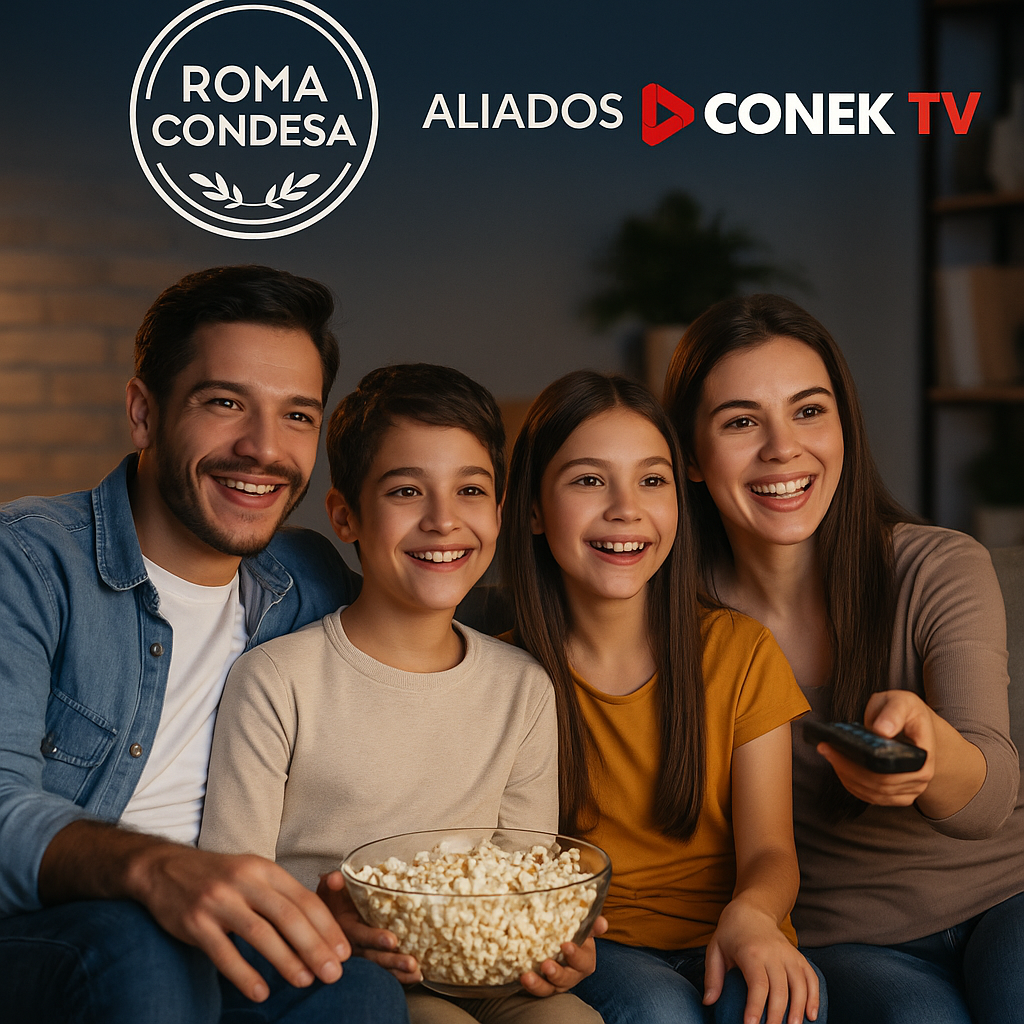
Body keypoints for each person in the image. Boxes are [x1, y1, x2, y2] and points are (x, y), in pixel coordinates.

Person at [0, 265, 408, 1024]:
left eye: (296, 416)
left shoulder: (308, 581)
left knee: (353, 985)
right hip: (42, 937)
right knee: (138, 948)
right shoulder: (27, 562)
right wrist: (155, 869)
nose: (263, 449)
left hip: (215, 933)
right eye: (225, 403)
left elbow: (426, 645)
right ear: (144, 413)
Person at [198, 363, 605, 1024]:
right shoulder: (276, 681)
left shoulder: (523, 688)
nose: (443, 521)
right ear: (345, 515)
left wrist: (556, 936)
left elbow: (525, 870)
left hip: (484, 966)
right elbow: (234, 881)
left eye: (470, 490)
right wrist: (327, 918)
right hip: (344, 968)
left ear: (499, 513)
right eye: (406, 491)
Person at [663, 293, 1024, 1024]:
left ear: (844, 428)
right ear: (691, 459)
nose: (782, 449)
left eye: (808, 410)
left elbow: (988, 802)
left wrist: (929, 760)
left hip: (1006, 895)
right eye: (740, 422)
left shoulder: (937, 565)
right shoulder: (676, 621)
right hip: (846, 939)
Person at [499, 369, 824, 1024]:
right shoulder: (499, 675)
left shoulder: (740, 651)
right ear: (532, 508)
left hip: (738, 925)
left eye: (652, 480)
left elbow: (770, 852)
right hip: (606, 948)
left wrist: (754, 917)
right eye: (589, 480)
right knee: (658, 1009)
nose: (626, 507)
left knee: (782, 1006)